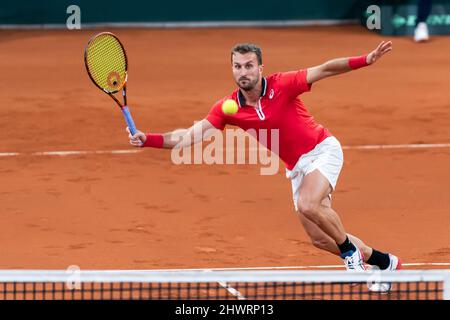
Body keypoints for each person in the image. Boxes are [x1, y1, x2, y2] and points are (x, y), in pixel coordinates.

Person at [128, 42, 402, 292]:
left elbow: (325, 69)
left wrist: (366, 59)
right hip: (296, 167)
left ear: (260, 67)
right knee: (319, 238)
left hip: (322, 150)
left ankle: (350, 254)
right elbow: (188, 137)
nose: (243, 71)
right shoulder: (228, 107)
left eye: (249, 65)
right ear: (232, 69)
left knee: (309, 204)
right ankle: (385, 262)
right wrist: (148, 139)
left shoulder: (283, 84)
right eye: (237, 66)